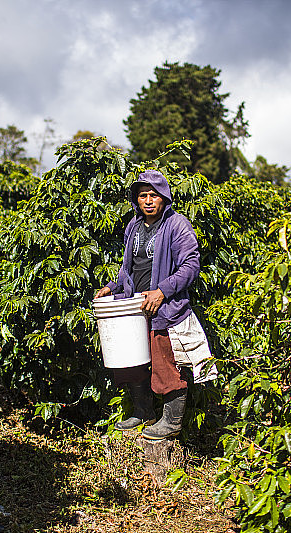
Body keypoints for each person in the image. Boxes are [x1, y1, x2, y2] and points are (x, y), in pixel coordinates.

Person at [94, 169, 217, 440]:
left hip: (164, 308)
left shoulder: (176, 225)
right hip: (133, 308)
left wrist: (162, 291)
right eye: (142, 195)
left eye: (153, 195)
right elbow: (129, 268)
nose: (148, 200)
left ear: (164, 198)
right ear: (135, 199)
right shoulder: (133, 226)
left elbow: (191, 265)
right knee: (132, 362)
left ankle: (170, 423)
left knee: (167, 365)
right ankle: (143, 411)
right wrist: (113, 287)